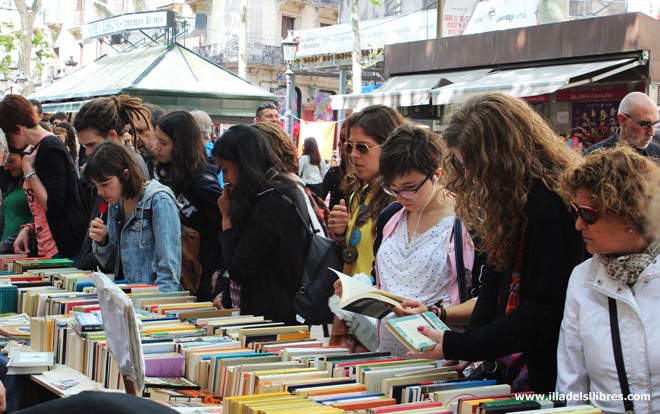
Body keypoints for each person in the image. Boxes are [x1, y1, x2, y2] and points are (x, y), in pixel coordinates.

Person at [408, 93, 586, 394]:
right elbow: (495, 275)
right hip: (517, 359)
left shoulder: (550, 205)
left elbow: (543, 311)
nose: (471, 177)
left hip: (548, 368)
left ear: (500, 160)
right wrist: (471, 347)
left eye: (473, 167)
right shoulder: (514, 198)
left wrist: (465, 344)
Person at [555, 146, 660, 413]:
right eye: (575, 210)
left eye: (588, 214)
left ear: (629, 214)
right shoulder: (581, 279)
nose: (578, 224)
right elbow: (571, 384)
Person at [367, 124, 478, 357]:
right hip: (388, 355)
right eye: (392, 188)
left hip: (441, 360)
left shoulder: (468, 222)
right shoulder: (391, 217)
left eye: (409, 188)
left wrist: (435, 312)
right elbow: (381, 280)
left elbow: (486, 300)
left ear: (436, 175)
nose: (400, 197)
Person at [326, 105, 403, 351]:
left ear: (390, 146)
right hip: (354, 314)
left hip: (382, 319)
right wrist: (340, 234)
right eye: (350, 147)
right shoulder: (358, 192)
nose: (354, 155)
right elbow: (355, 254)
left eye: (363, 147)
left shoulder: (402, 198)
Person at [213, 125, 308, 325]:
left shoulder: (269, 204)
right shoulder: (283, 190)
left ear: (243, 163)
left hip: (269, 320)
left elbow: (240, 270)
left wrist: (226, 220)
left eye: (226, 170)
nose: (226, 180)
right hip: (278, 313)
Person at [0, 94, 88, 261]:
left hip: (63, 247)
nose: (8, 142)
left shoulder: (49, 147)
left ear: (18, 129)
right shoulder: (38, 148)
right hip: (49, 246)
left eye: (8, 136)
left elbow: (54, 205)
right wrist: (28, 228)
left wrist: (28, 171)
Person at [85, 141, 181, 292]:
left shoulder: (159, 201)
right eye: (96, 185)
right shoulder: (116, 203)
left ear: (126, 175)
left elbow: (169, 271)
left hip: (150, 301)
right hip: (125, 297)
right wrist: (103, 241)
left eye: (105, 184)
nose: (99, 192)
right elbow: (112, 264)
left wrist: (156, 310)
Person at [73, 95, 152, 271]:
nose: (86, 152)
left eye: (91, 145)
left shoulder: (133, 167)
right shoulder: (112, 166)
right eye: (83, 146)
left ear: (111, 136)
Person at [154, 110, 223, 302]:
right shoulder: (168, 178)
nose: (156, 147)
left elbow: (228, 227)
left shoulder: (203, 184)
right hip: (178, 273)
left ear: (181, 145)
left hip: (203, 279)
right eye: (156, 139)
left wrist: (221, 270)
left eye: (164, 142)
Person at [583, 91, 660, 158]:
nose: (652, 133)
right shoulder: (594, 157)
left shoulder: (657, 154)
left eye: (655, 124)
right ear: (622, 120)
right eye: (645, 124)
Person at [0, 146, 34, 254]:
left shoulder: (34, 184)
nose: (6, 167)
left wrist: (5, 245)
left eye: (10, 161)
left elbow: (40, 220)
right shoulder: (12, 184)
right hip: (7, 252)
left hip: (23, 250)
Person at [134, 102, 166, 180]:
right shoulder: (138, 168)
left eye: (141, 131)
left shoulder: (183, 169)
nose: (135, 138)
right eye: (131, 132)